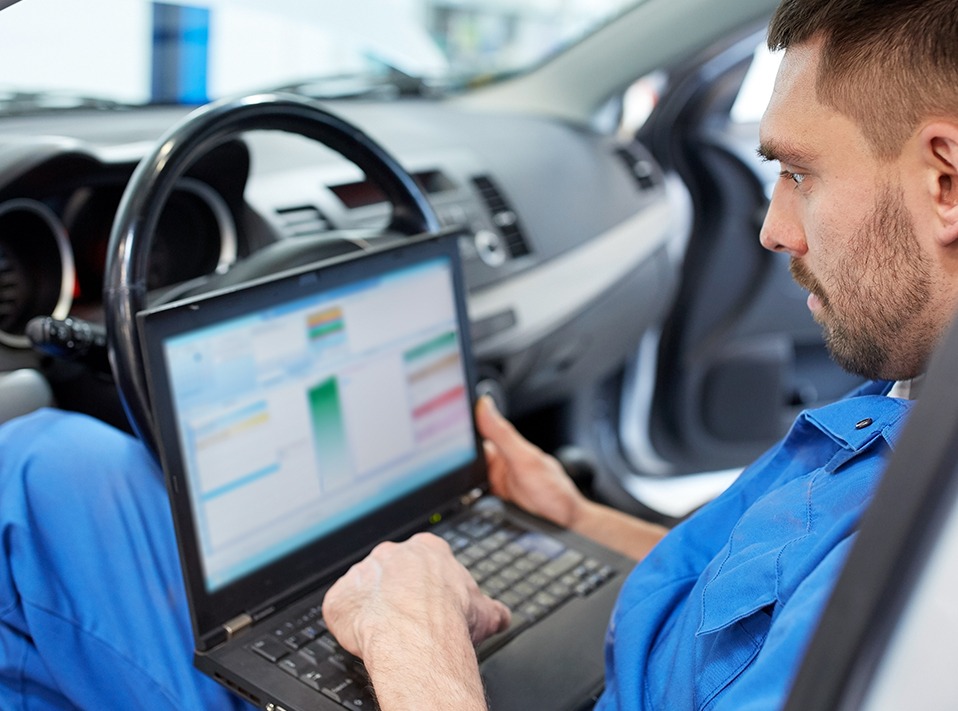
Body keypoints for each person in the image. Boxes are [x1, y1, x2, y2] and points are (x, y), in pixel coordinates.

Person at [1, 0, 956, 708]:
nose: (772, 229)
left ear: (945, 182)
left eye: (799, 172)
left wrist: (415, 643)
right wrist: (574, 516)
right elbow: (764, 596)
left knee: (43, 469)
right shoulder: (915, 406)